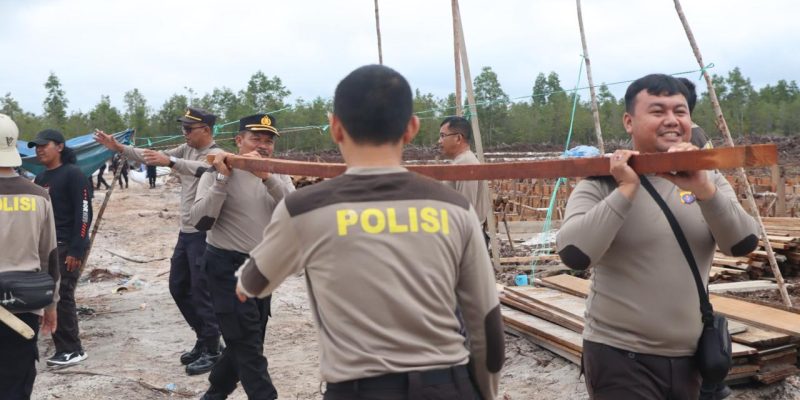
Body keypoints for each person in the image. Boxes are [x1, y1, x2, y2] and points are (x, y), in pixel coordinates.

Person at [236, 65, 504, 400]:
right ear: (412, 128)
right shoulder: (454, 209)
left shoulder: (305, 208)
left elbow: (253, 283)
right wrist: (485, 393)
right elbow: (486, 321)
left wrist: (244, 284)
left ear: (335, 127)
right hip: (447, 385)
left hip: (359, 389)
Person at [556, 74, 759, 400]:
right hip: (620, 356)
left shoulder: (707, 179)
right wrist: (626, 190)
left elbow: (743, 244)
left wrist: (705, 190)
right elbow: (575, 255)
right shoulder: (601, 183)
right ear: (629, 121)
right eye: (657, 111)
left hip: (691, 359)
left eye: (679, 111)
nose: (671, 120)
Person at [94, 107, 224, 375]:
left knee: (202, 292)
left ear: (206, 131)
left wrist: (171, 162)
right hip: (185, 233)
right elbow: (150, 157)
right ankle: (203, 337)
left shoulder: (217, 156)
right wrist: (119, 147)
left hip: (204, 234)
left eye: (189, 129)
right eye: (183, 129)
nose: (184, 133)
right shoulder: (185, 149)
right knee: (178, 287)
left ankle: (214, 348)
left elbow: (204, 170)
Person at [190, 113, 294, 400]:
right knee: (247, 343)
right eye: (255, 138)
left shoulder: (279, 172)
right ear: (238, 141)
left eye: (268, 140)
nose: (263, 145)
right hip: (227, 268)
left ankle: (216, 391)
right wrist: (222, 180)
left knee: (247, 341)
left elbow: (295, 213)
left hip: (262, 267)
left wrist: (269, 179)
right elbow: (200, 221)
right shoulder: (216, 171)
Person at [0, 114, 59, 398]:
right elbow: (50, 256)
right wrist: (51, 305)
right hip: (24, 308)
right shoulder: (39, 195)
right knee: (16, 382)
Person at [28, 128, 94, 366]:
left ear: (60, 147)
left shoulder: (74, 175)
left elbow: (84, 213)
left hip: (67, 246)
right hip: (46, 248)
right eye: (37, 146)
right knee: (49, 295)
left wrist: (78, 248)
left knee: (62, 295)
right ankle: (60, 345)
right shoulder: (42, 178)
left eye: (44, 145)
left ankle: (72, 349)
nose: (39, 149)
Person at [437, 116, 492, 241]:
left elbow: (466, 209)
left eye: (442, 136)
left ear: (458, 138)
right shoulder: (461, 162)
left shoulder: (466, 163)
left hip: (467, 239)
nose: (439, 141)